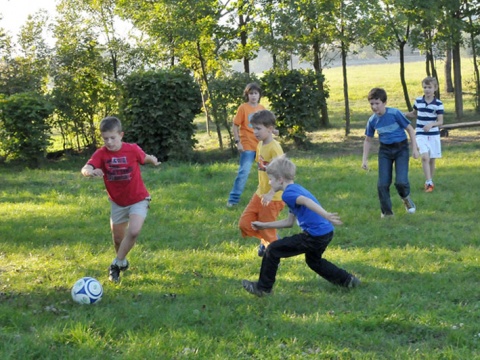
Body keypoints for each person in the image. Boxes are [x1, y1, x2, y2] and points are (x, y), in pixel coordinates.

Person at [242, 155, 360, 297]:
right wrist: (263, 225)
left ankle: (263, 288)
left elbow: (305, 201)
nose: (269, 182)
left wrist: (326, 214)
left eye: (271, 179)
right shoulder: (294, 189)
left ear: (280, 179)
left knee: (273, 249)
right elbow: (289, 222)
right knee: (314, 261)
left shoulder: (289, 195)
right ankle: (348, 280)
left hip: (314, 236)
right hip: (325, 232)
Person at [81, 116, 160, 282]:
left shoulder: (132, 149)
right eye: (105, 139)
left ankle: (115, 265)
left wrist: (152, 159)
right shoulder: (101, 154)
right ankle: (122, 261)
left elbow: (144, 158)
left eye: (113, 138)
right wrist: (90, 172)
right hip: (117, 202)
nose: (109, 142)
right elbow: (86, 167)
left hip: (138, 198)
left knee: (134, 231)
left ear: (121, 135)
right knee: (118, 239)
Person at [362, 88, 419, 218]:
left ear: (384, 102)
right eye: (372, 104)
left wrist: (415, 149)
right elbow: (368, 140)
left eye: (377, 103)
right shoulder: (372, 120)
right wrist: (364, 160)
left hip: (401, 149)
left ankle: (406, 199)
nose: (374, 107)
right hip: (385, 151)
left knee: (401, 182)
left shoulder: (395, 114)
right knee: (382, 184)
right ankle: (387, 213)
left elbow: (410, 129)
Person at [238, 110, 285, 257]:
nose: (255, 132)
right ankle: (270, 241)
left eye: (258, 128)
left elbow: (282, 174)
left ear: (270, 129)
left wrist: (271, 193)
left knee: (266, 229)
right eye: (253, 128)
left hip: (273, 197)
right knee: (244, 224)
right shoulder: (259, 145)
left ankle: (272, 252)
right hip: (260, 194)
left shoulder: (275, 148)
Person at [227, 82, 265, 207]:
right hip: (247, 145)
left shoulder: (262, 108)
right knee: (244, 172)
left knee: (266, 172)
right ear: (247, 95)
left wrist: (273, 131)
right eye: (251, 94)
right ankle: (233, 200)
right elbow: (235, 125)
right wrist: (238, 142)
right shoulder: (243, 108)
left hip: (261, 146)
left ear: (259, 95)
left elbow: (266, 126)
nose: (253, 96)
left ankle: (267, 198)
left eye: (256, 93)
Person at [404, 76, 444, 192]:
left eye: (429, 87)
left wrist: (431, 124)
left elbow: (440, 121)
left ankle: (430, 181)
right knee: (425, 157)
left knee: (431, 159)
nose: (427, 90)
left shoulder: (438, 104)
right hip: (420, 133)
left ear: (435, 88)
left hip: (433, 134)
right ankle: (428, 182)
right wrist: (403, 114)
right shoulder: (418, 101)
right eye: (425, 87)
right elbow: (414, 113)